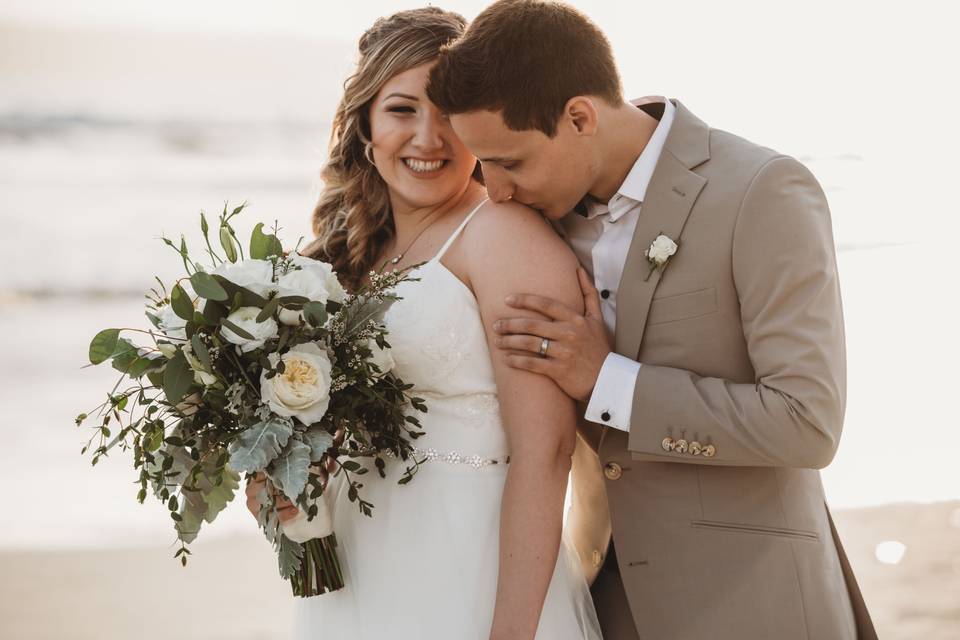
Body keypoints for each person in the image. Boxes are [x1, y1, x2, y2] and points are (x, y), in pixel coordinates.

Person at [426, 1, 877, 638]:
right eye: (482, 165)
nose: (493, 190)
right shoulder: (536, 223)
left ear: (580, 116)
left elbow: (807, 422)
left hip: (750, 600)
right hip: (601, 597)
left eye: (510, 162)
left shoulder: (761, 191)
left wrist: (607, 380)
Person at [245, 7, 601, 639]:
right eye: (403, 110)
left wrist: (512, 633)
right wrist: (287, 487)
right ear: (365, 125)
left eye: (446, 115)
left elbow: (545, 454)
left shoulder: (505, 240)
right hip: (359, 570)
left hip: (469, 570)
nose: (428, 139)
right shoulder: (343, 253)